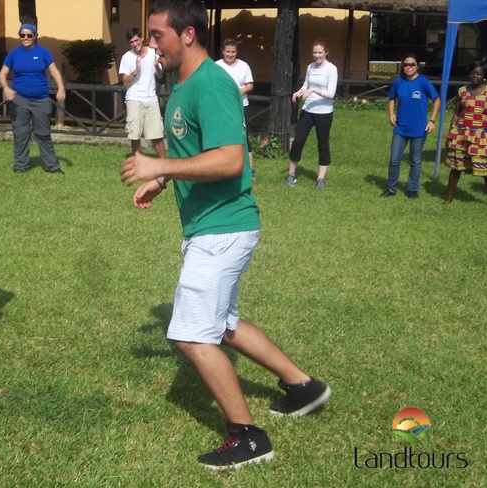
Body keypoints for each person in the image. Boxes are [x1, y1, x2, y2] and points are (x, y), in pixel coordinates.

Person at [120, 0, 331, 471]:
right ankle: (304, 387)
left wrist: (158, 164)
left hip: (222, 228)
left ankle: (248, 437)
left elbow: (232, 160)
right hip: (214, 225)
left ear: (187, 35)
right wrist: (163, 179)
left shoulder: (212, 84)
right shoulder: (184, 85)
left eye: (157, 36)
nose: (151, 45)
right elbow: (198, 152)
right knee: (224, 325)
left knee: (191, 334)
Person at [0, 22, 65, 174]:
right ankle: (20, 166)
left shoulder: (43, 52)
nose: (26, 38)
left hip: (41, 100)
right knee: (21, 133)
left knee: (43, 133)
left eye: (29, 35)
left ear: (35, 36)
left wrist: (61, 87)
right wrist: (6, 88)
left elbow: (54, 71)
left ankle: (52, 166)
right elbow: (2, 73)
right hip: (19, 99)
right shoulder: (14, 54)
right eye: (22, 35)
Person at [381, 54, 440, 199]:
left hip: (419, 129)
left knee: (415, 161)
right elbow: (391, 98)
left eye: (412, 64)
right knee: (394, 159)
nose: (408, 67)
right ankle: (391, 188)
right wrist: (391, 114)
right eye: (405, 64)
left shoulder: (424, 82)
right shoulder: (399, 82)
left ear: (417, 66)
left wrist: (432, 121)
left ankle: (413, 189)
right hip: (400, 128)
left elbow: (437, 100)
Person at [286, 39, 338, 189]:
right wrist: (299, 92)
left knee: (322, 144)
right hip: (308, 110)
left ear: (326, 52)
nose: (317, 55)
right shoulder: (311, 67)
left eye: (320, 52)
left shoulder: (331, 69)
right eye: (314, 52)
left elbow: (331, 93)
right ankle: (291, 174)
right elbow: (306, 85)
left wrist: (313, 90)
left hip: (324, 112)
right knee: (298, 141)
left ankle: (321, 178)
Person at [443, 58, 487, 203]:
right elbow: (456, 114)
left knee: (486, 170)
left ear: (484, 76)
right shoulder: (462, 91)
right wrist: (450, 134)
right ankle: (449, 199)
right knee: (456, 168)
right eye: (472, 73)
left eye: (479, 74)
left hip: (482, 136)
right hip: (461, 134)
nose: (475, 76)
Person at [118, 27, 165, 159]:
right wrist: (135, 70)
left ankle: (163, 162)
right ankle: (138, 160)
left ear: (142, 38)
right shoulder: (127, 57)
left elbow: (160, 76)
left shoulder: (153, 53)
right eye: (131, 42)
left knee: (157, 134)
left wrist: (156, 66)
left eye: (136, 40)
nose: (135, 44)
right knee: (135, 134)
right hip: (134, 98)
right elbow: (125, 82)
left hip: (151, 98)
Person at [215, 38, 256, 180]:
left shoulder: (244, 66)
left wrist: (242, 90)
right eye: (227, 52)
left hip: (241, 106)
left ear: (236, 52)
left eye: (233, 52)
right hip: (222, 107)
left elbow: (250, 84)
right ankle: (223, 165)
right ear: (223, 52)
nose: (230, 54)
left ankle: (250, 169)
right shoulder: (216, 66)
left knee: (244, 136)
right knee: (222, 136)